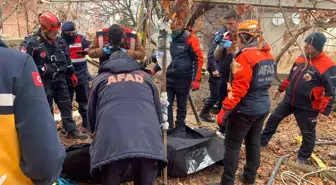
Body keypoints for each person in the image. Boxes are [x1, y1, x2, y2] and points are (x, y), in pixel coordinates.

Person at [87, 24, 167, 185]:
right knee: (145, 172)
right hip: (147, 140)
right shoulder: (146, 79)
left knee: (111, 172)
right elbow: (159, 115)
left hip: (112, 141)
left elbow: (91, 115)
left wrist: (95, 135)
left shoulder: (100, 80)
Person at [211, 20, 275, 185]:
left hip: (244, 110)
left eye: (238, 36)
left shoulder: (246, 56)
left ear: (244, 37)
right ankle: (249, 177)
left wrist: (224, 109)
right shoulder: (268, 54)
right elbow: (266, 82)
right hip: (262, 106)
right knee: (253, 142)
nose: (236, 40)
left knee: (232, 145)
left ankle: (227, 182)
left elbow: (238, 88)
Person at [261, 32, 336, 164]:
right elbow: (291, 76)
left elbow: (331, 90)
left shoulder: (328, 65)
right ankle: (262, 142)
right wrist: (281, 89)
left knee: (307, 133)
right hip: (289, 100)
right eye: (305, 43)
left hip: (308, 106)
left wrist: (325, 111)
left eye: (309, 44)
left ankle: (303, 157)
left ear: (318, 47)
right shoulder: (302, 58)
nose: (305, 46)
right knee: (273, 118)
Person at [0, 43, 65, 184]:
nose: (55, 34)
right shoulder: (17, 64)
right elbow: (44, 161)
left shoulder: (59, 43)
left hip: (57, 79)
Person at [20, 12, 87, 139]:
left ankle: (71, 130)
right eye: (54, 32)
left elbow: (66, 58)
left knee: (66, 104)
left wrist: (71, 72)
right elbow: (23, 63)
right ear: (44, 29)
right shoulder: (31, 43)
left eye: (57, 31)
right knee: (46, 108)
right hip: (43, 81)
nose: (56, 34)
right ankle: (49, 134)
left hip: (60, 78)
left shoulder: (59, 41)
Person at [151, 26, 204, 129]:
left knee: (181, 106)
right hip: (168, 78)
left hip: (184, 78)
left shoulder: (191, 39)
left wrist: (196, 79)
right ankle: (168, 127)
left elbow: (198, 59)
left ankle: (180, 128)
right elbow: (163, 57)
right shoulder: (166, 38)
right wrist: (154, 69)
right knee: (166, 104)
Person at [61, 21, 92, 130]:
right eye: (68, 33)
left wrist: (89, 49)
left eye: (73, 33)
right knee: (66, 102)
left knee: (84, 102)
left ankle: (87, 123)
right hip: (65, 76)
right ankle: (68, 126)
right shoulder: (59, 41)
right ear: (63, 33)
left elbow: (91, 45)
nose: (71, 35)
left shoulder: (81, 39)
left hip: (81, 75)